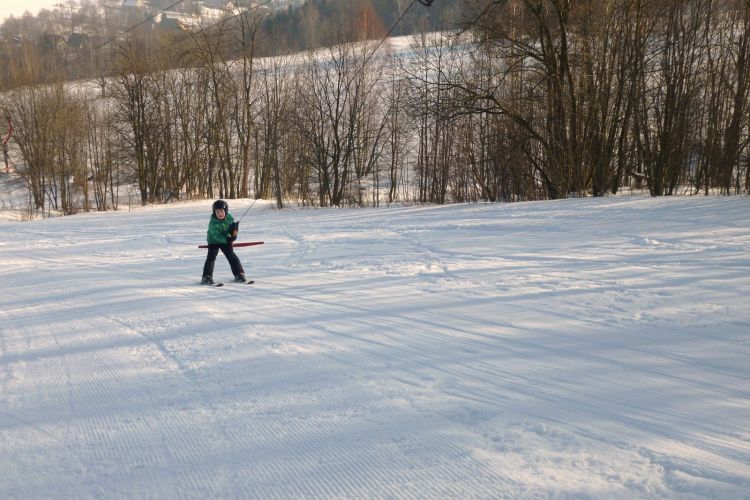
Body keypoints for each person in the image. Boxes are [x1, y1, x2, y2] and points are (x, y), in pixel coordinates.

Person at [201, 199, 247, 284]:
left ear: (225, 211)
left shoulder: (229, 219)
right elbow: (215, 235)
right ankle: (206, 276)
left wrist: (234, 232)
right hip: (213, 241)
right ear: (214, 212)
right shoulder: (213, 222)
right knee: (211, 257)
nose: (219, 214)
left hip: (225, 241)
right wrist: (227, 239)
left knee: (232, 256)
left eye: (221, 211)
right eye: (217, 212)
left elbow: (231, 232)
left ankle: (239, 274)